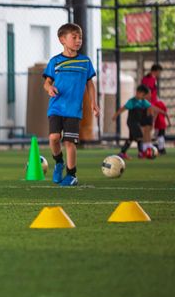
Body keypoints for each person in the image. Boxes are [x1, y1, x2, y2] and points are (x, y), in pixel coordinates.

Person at [42, 23, 99, 186]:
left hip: (73, 110)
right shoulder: (55, 61)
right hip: (56, 107)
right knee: (54, 138)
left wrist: (94, 103)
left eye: (80, 37)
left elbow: (90, 84)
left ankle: (72, 174)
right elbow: (47, 83)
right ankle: (58, 162)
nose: (78, 40)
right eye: (74, 37)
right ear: (62, 40)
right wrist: (49, 88)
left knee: (69, 142)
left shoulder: (85, 62)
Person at [112, 85, 166, 160]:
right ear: (138, 93)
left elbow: (152, 107)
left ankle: (122, 153)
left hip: (137, 122)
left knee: (131, 138)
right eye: (143, 95)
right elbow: (123, 108)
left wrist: (161, 111)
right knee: (140, 136)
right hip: (131, 122)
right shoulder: (132, 101)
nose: (144, 97)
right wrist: (115, 115)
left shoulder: (143, 101)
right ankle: (141, 153)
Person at [140, 64, 162, 153]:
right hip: (148, 105)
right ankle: (146, 147)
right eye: (159, 72)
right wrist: (149, 106)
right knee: (147, 127)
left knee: (148, 127)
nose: (159, 74)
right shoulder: (150, 79)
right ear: (156, 71)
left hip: (148, 105)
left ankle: (147, 145)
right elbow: (147, 92)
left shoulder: (146, 78)